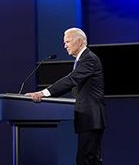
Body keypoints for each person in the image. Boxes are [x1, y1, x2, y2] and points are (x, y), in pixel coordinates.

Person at [25, 28, 106, 165]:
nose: (65, 46)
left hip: (91, 117)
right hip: (88, 118)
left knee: (86, 159)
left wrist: (43, 93)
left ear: (79, 41)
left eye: (67, 42)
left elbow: (71, 80)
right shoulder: (83, 59)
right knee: (90, 159)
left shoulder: (89, 59)